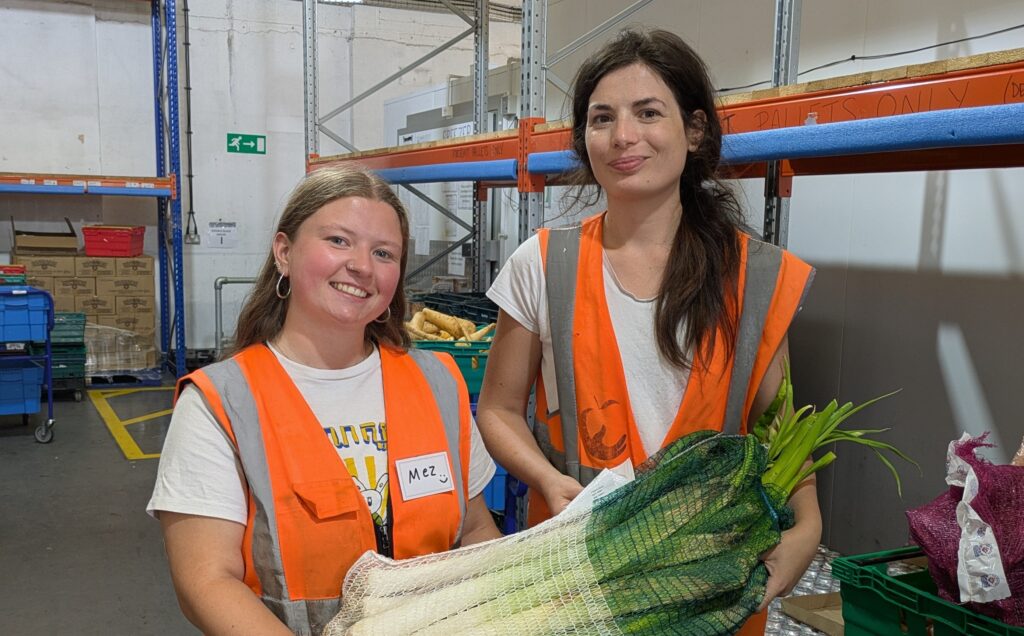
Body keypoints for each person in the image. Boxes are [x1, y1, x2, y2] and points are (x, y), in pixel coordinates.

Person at [476, 28, 820, 633]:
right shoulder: (543, 262)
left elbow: (783, 436)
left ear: (693, 130)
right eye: (601, 117)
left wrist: (803, 530)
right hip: (578, 582)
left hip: (709, 588)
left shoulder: (753, 277)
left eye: (648, 113)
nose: (623, 136)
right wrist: (549, 481)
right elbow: (499, 410)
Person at [148, 165, 501, 636]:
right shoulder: (222, 402)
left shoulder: (437, 380)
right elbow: (206, 582)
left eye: (383, 252)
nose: (362, 265)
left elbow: (475, 531)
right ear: (284, 252)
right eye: (338, 240)